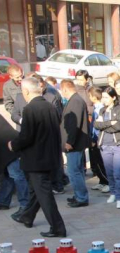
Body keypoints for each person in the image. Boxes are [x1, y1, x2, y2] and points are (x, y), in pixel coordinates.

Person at [9, 77, 66, 238]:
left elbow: (27, 136)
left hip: (36, 160)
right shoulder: (49, 106)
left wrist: (13, 144)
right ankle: (27, 216)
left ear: (26, 91)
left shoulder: (30, 109)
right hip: (50, 157)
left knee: (44, 193)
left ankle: (57, 227)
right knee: (36, 191)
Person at [94, 87, 120, 209]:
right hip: (105, 145)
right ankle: (113, 193)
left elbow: (119, 126)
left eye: (106, 97)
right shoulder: (102, 110)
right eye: (103, 97)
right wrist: (110, 123)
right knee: (109, 172)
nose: (103, 99)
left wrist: (104, 125)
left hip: (118, 145)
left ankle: (119, 197)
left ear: (113, 97)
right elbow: (96, 125)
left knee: (118, 172)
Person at [59, 79, 90, 208]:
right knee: (77, 170)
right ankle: (79, 195)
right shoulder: (75, 100)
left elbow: (74, 124)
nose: (61, 93)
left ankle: (81, 197)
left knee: (73, 171)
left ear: (65, 89)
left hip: (75, 144)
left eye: (61, 90)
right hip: (76, 143)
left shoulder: (75, 101)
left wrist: (69, 142)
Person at [0, 115, 28, 218]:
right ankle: (3, 201)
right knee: (8, 175)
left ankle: (25, 204)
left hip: (9, 148)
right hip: (7, 146)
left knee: (17, 176)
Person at [87, 86, 109, 192]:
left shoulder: (100, 109)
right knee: (96, 161)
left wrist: (94, 139)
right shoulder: (97, 108)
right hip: (95, 138)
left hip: (98, 139)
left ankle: (107, 182)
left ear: (94, 97)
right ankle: (102, 181)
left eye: (90, 96)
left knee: (101, 162)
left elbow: (98, 126)